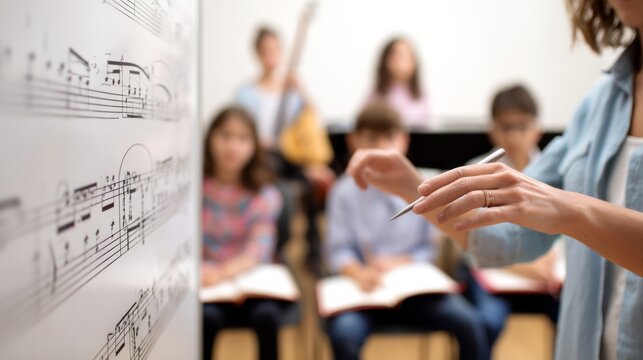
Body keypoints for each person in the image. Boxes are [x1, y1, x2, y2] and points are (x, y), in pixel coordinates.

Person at [345, 1, 643, 359]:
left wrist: (570, 211)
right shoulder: (596, 105)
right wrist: (414, 188)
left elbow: (556, 210)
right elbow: (508, 237)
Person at [325, 102, 489, 360]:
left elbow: (428, 248)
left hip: (413, 290)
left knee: (469, 323)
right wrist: (359, 272)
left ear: (403, 140)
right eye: (371, 138)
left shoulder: (422, 185)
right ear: (353, 141)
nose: (380, 146)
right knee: (344, 334)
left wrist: (402, 261)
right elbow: (338, 250)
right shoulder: (343, 192)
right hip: (365, 290)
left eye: (388, 137)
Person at [458, 85, 561, 347]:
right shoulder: (474, 172)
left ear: (537, 128)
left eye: (522, 126)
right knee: (486, 321)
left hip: (544, 276)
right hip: (495, 273)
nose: (514, 135)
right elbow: (470, 237)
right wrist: (527, 267)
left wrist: (546, 264)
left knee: (573, 315)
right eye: (506, 127)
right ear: (492, 129)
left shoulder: (556, 170)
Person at [236, 26, 333, 274]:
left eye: (275, 50)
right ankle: (279, 252)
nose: (271, 55)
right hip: (261, 157)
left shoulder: (291, 90)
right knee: (284, 193)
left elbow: (311, 125)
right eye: (265, 50)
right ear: (257, 54)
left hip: (289, 157)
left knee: (317, 182)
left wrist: (301, 89)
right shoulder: (246, 93)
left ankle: (314, 250)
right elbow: (240, 129)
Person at [201, 106, 284, 360]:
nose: (232, 146)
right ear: (210, 139)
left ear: (254, 145)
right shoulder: (193, 189)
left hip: (249, 280)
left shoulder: (264, 195)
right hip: (206, 282)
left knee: (267, 316)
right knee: (205, 318)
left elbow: (258, 249)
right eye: (225, 136)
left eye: (242, 138)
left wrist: (225, 272)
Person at [366, 37, 430, 129]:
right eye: (396, 57)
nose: (401, 63)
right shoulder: (376, 93)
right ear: (385, 61)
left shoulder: (421, 94)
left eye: (406, 57)